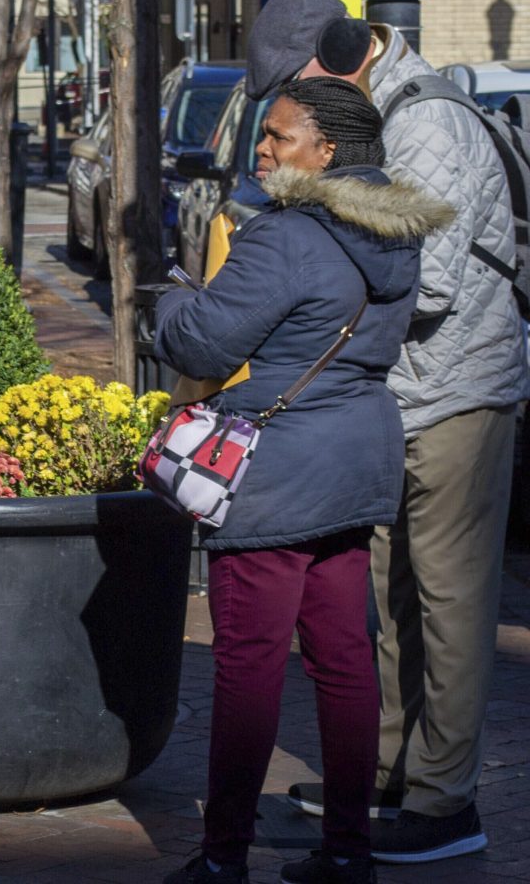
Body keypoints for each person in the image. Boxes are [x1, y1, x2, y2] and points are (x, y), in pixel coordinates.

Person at [246, 0, 530, 865]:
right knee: (387, 591)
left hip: (457, 392)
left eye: (296, 87)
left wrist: (308, 242)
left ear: (340, 53)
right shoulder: (366, 123)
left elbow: (428, 282)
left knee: (448, 597)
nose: (288, 111)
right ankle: (386, 771)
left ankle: (446, 802)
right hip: (393, 394)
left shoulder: (427, 126)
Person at [155, 77, 452, 884]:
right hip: (356, 459)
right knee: (345, 661)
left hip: (276, 469)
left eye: (279, 137)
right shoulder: (393, 237)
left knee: (249, 665)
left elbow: (204, 350)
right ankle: (350, 851)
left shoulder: (285, 236)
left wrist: (171, 305)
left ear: (328, 152)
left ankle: (223, 858)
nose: (263, 148)